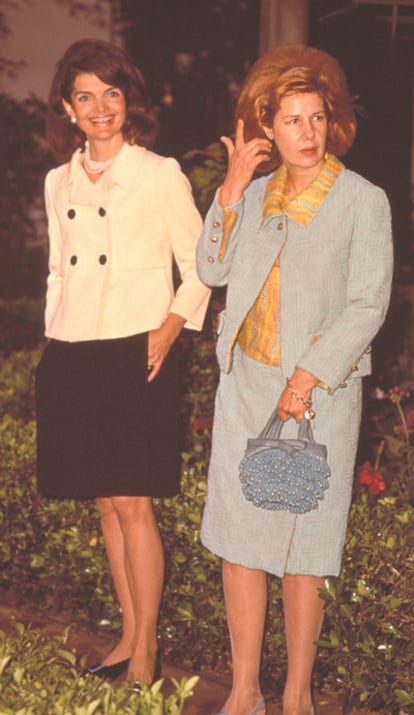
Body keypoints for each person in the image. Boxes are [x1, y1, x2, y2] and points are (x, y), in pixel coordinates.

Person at [196, 44, 392, 715]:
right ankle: (246, 690)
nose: (306, 132)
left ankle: (299, 697)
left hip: (319, 396)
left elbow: (369, 303)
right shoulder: (252, 195)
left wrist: (308, 375)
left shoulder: (364, 201)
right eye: (291, 120)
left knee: (305, 549)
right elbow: (214, 272)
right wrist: (226, 192)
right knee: (239, 543)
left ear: (330, 122)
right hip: (247, 383)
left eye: (316, 118)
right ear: (267, 129)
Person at [35, 39, 210, 685]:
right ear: (68, 107)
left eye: (110, 92)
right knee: (108, 503)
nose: (100, 107)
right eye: (85, 95)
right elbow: (57, 270)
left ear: (127, 100)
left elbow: (200, 267)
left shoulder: (159, 172)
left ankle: (148, 653)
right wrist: (55, 344)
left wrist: (168, 330)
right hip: (77, 350)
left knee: (134, 503)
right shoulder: (59, 181)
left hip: (141, 348)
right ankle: (128, 635)